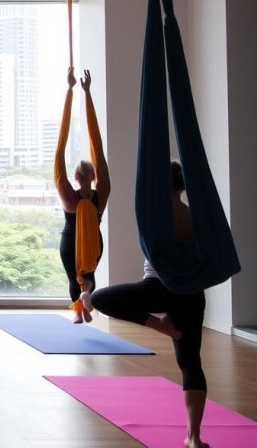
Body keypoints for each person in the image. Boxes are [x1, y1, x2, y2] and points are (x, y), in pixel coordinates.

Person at [91, 161, 209, 448]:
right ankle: (193, 436)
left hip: (158, 289)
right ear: (182, 186)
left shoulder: (155, 215)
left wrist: (155, 320)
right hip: (191, 293)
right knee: (190, 362)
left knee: (99, 299)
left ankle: (160, 325)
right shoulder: (196, 217)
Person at [54, 68, 110, 323]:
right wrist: (87, 94)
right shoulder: (102, 194)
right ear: (94, 175)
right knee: (89, 276)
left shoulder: (69, 197)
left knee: (73, 277)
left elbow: (59, 149)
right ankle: (86, 299)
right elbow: (96, 143)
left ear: (75, 177)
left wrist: (69, 91)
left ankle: (79, 310)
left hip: (70, 243)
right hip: (93, 244)